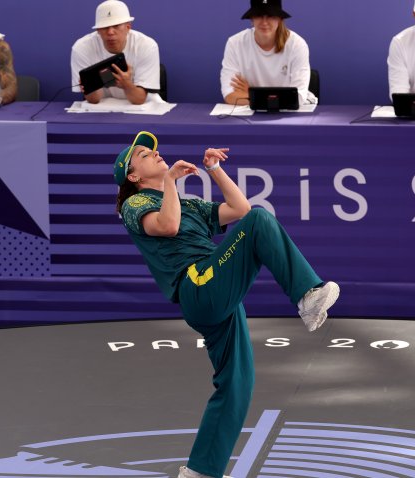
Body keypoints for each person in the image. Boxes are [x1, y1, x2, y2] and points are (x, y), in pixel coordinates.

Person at [113, 132, 340, 478]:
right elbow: (168, 226)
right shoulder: (136, 205)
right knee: (261, 221)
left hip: (216, 289)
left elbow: (239, 209)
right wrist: (171, 181)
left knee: (237, 382)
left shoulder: (187, 204)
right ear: (133, 177)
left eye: (154, 150)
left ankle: (201, 471)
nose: (155, 154)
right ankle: (308, 297)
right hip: (198, 284)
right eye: (144, 154)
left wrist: (214, 170)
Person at [220, 0, 316, 106]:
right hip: (251, 115)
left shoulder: (297, 45)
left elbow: (298, 98)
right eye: (259, 15)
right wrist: (271, 99)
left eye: (271, 15)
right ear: (252, 18)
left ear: (280, 19)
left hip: (290, 114)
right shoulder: (235, 43)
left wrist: (251, 93)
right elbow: (229, 95)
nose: (264, 22)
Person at [71, 0, 161, 105]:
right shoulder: (82, 48)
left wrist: (127, 85)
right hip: (102, 108)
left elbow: (139, 100)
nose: (110, 32)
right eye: (105, 27)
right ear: (98, 31)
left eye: (116, 26)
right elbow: (93, 100)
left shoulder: (146, 45)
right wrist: (90, 86)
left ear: (128, 27)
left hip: (141, 107)